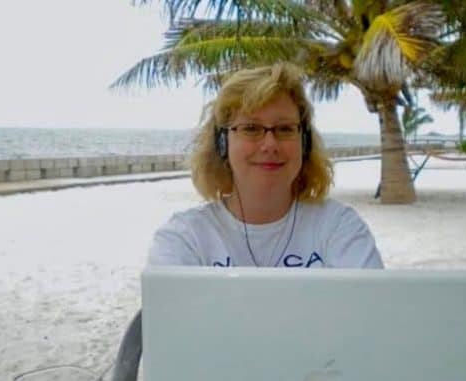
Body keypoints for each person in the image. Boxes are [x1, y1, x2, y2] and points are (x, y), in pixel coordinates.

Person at [147, 63, 383, 268]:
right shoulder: (185, 238)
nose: (270, 144)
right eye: (251, 128)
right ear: (222, 143)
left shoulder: (339, 227)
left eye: (284, 129)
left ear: (305, 142)